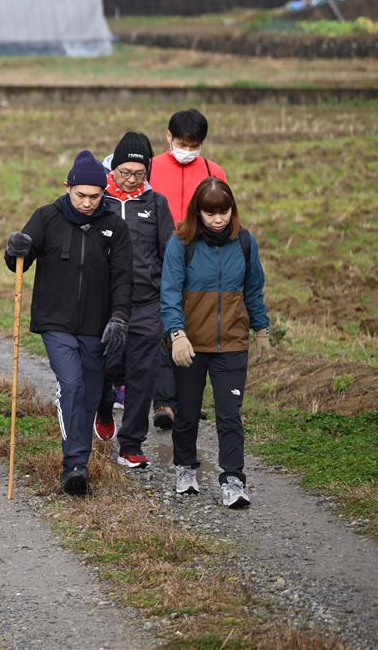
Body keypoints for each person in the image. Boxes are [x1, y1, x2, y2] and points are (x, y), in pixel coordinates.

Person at [4, 150, 133, 496]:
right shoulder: (46, 217)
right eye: (81, 195)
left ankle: (80, 458)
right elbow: (20, 259)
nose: (88, 203)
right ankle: (75, 465)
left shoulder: (115, 227)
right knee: (72, 385)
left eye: (95, 196)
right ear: (67, 188)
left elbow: (124, 277)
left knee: (90, 392)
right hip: (55, 321)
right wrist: (15, 248)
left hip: (97, 325)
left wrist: (120, 318)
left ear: (104, 192)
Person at [161, 177, 268, 509]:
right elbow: (169, 293)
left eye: (224, 212)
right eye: (210, 213)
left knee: (229, 414)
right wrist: (177, 334)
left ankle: (233, 479)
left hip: (232, 343)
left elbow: (253, 289)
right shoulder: (181, 244)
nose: (218, 219)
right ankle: (185, 467)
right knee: (187, 412)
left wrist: (262, 329)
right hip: (190, 345)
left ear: (232, 209)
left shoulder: (245, 242)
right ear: (198, 212)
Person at [100, 131, 176, 465]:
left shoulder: (156, 204)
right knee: (106, 366)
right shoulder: (99, 200)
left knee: (142, 374)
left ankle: (131, 444)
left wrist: (168, 298)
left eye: (139, 174)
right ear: (113, 169)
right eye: (125, 173)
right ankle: (103, 404)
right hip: (104, 303)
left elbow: (170, 253)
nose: (131, 180)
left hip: (146, 303)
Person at [150, 109, 228, 224]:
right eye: (182, 145)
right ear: (169, 136)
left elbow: (224, 210)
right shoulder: (149, 168)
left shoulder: (214, 172)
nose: (188, 151)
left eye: (194, 146)